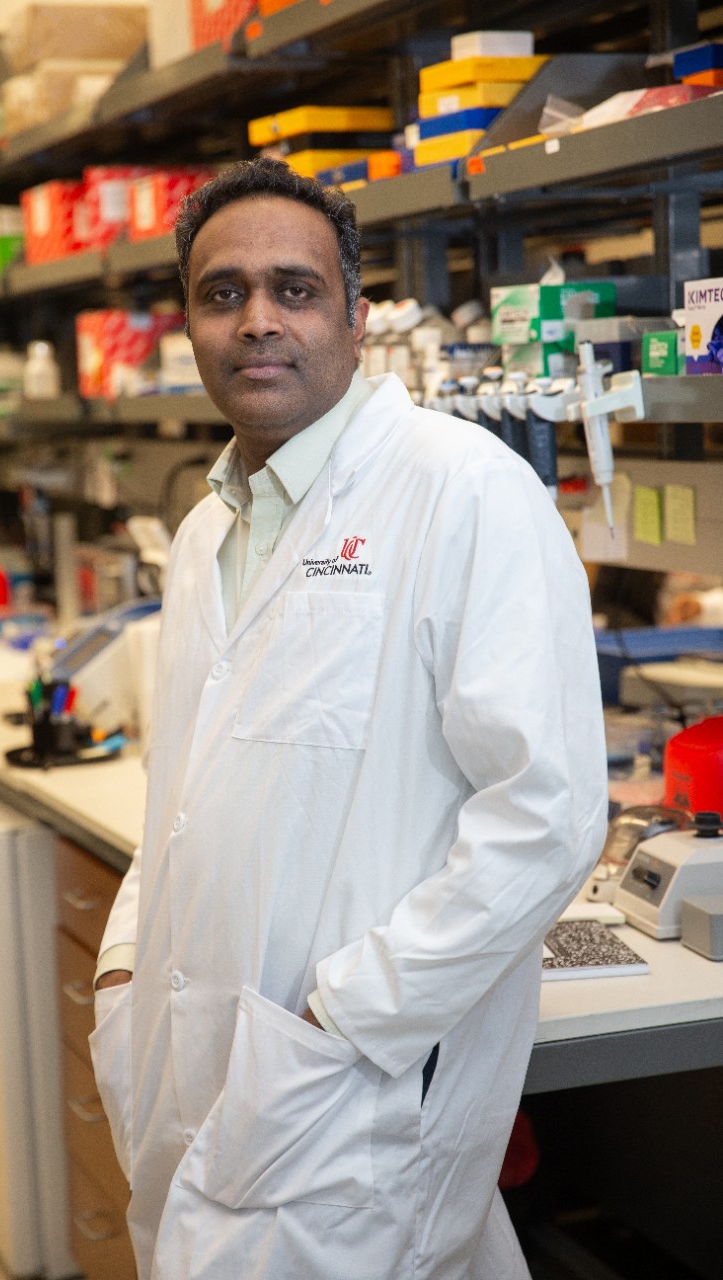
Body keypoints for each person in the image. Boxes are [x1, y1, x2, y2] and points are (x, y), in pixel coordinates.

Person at [89, 156, 608, 1280]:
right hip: (192, 1066)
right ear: (188, 325)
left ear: (356, 317)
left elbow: (548, 815)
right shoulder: (202, 532)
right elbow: (182, 793)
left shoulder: (462, 491)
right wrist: (125, 962)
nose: (257, 320)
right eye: (222, 293)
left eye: (295, 288)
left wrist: (345, 1019)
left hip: (348, 1090)